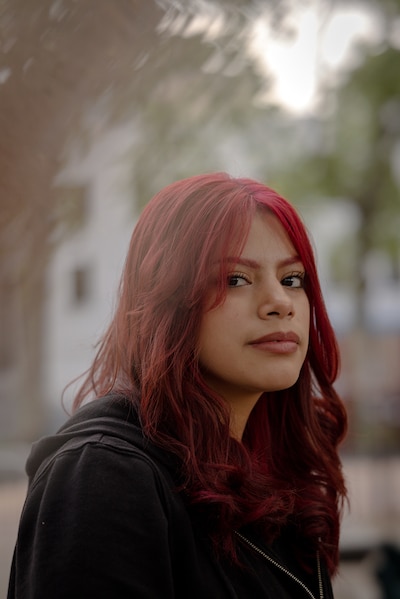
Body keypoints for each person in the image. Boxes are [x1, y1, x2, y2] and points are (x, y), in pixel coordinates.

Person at [8, 172, 347, 599]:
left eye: (292, 279)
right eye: (235, 279)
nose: (279, 302)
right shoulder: (103, 477)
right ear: (167, 300)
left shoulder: (275, 484)